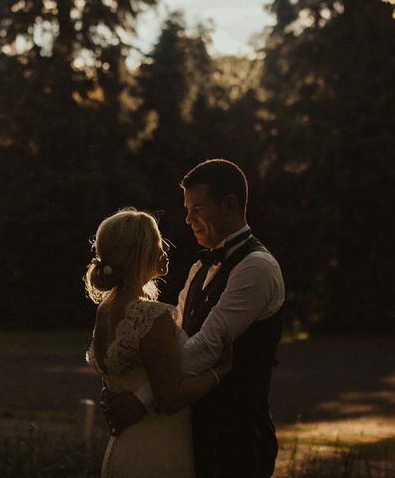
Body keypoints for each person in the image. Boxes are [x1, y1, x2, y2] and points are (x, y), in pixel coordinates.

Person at [105, 159, 286, 478]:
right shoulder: (198, 270)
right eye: (187, 209)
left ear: (229, 205)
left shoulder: (257, 268)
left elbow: (207, 346)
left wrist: (140, 399)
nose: (188, 219)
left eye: (197, 209)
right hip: (188, 433)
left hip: (236, 441)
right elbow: (174, 345)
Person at [85, 208, 233, 477]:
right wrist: (219, 372)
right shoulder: (153, 316)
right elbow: (170, 398)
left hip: (123, 448)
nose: (165, 246)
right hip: (159, 452)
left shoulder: (105, 309)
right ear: (138, 252)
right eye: (157, 240)